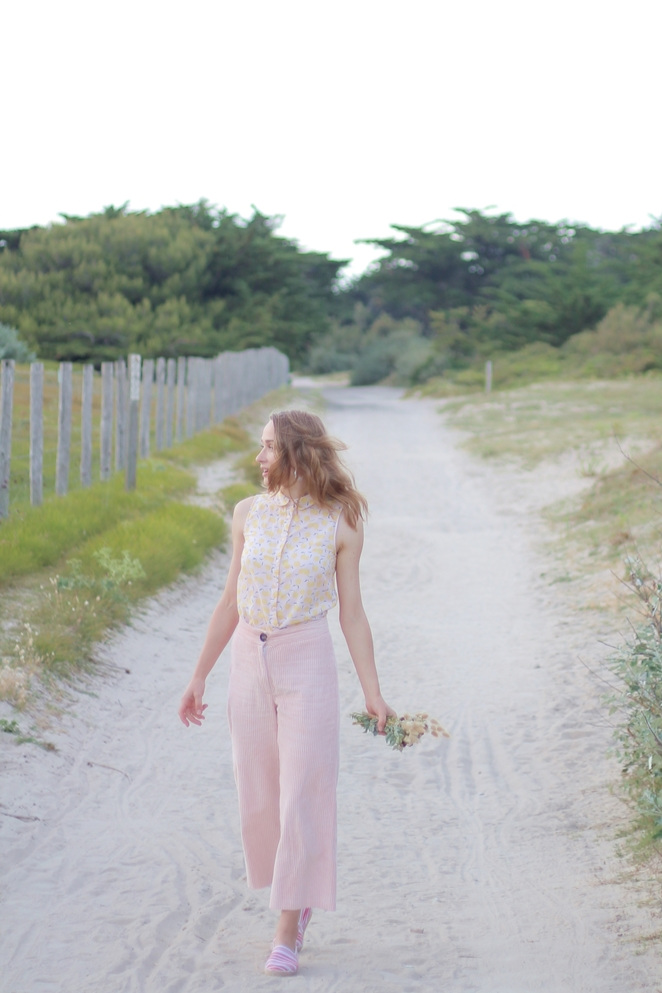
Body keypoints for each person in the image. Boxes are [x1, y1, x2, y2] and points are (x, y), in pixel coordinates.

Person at [178, 409, 394, 976]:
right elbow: (229, 601)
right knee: (262, 795)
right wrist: (199, 674)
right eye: (261, 446)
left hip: (307, 662)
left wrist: (373, 692)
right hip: (250, 659)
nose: (260, 457)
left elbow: (352, 614)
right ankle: (292, 896)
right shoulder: (247, 514)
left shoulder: (342, 520)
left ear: (297, 452)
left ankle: (286, 928)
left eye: (269, 447)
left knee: (303, 792)